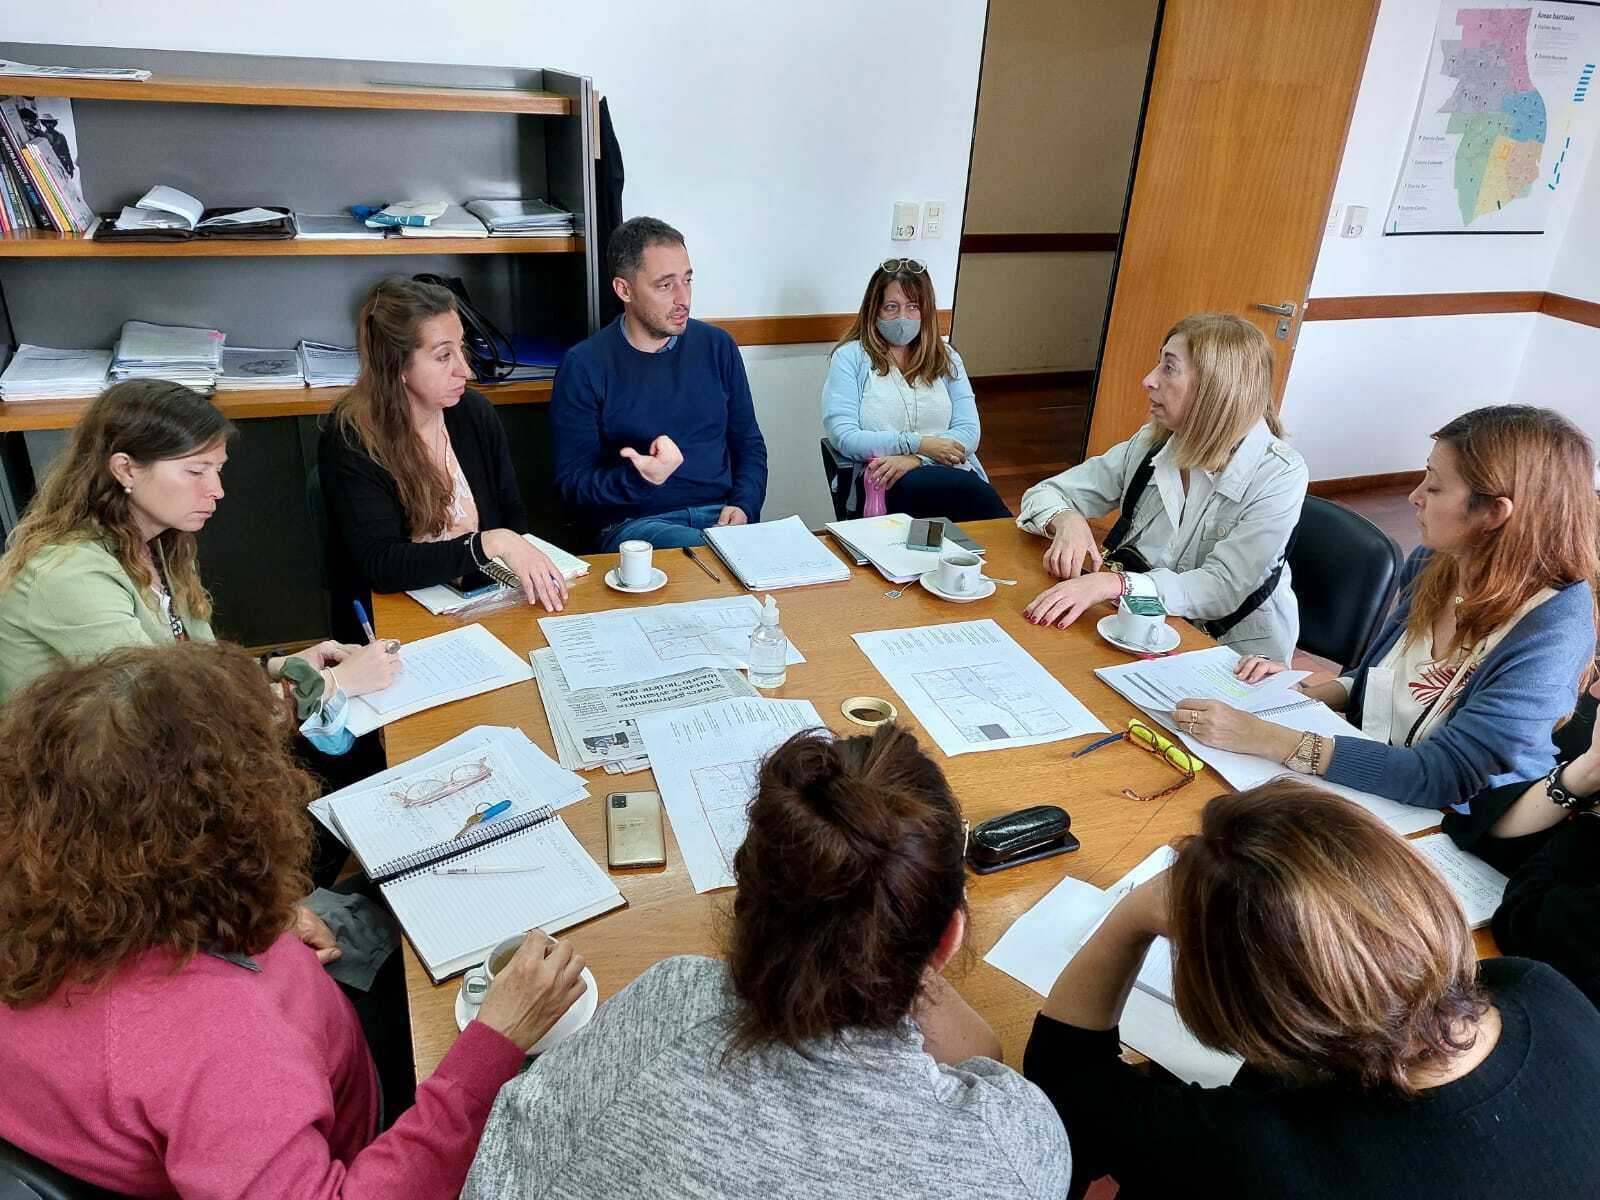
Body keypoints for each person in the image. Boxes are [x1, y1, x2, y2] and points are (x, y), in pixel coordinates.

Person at [0, 642, 588, 1199]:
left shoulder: (55, 901)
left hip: (291, 1054)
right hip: (368, 1145)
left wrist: (273, 923)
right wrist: (494, 1046)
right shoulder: (217, 1044)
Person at [464, 723, 1069, 1200]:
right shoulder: (1014, 1151)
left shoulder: (672, 996)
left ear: (747, 895)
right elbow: (985, 1055)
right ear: (947, 939)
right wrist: (901, 947)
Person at [1024, 779, 1600, 1198]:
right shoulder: (1539, 988)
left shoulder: (1261, 1158)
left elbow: (1063, 1076)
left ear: (1255, 1018)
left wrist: (1131, 916)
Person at [1182, 405, 1598, 814]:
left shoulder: (1553, 631)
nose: (1415, 496)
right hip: (1375, 782)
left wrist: (1267, 737)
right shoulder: (1436, 561)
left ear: (1494, 513)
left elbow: (1445, 775)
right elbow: (1383, 679)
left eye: (1435, 487)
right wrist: (1295, 697)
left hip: (1460, 823)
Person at [0, 379, 398, 711]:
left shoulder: (159, 541)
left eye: (217, 470)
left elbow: (193, 668)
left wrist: (276, 666)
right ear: (125, 469)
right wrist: (334, 684)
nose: (217, 490)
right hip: (86, 773)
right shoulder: (69, 575)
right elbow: (173, 715)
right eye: (195, 471)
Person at [1019, 313, 1306, 661]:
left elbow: (1222, 587)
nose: (1149, 380)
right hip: (1136, 626)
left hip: (1230, 655)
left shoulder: (1279, 474)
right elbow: (1044, 494)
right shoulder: (1152, 443)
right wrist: (1066, 519)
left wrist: (1115, 584)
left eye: (1169, 368)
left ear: (1215, 387)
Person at [320, 276, 569, 641]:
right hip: (395, 623)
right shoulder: (351, 438)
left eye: (461, 348)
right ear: (397, 365)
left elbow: (512, 516)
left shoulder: (472, 412)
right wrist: (490, 544)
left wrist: (503, 556)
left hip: (481, 602)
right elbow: (382, 564)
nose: (465, 369)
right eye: (443, 356)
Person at [550, 216, 768, 550]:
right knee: (716, 557)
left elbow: (749, 444)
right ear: (624, 290)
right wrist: (639, 479)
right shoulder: (584, 365)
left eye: (687, 280)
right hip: (636, 523)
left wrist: (744, 505)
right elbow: (573, 485)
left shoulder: (717, 346)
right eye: (665, 286)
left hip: (721, 516)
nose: (683, 298)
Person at [1443, 678, 1600, 1006]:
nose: (1594, 689)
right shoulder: (1585, 725)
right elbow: (1486, 832)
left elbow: (1528, 925)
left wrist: (1592, 817)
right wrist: (1588, 770)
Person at [821, 258, 1009, 522]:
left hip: (950, 475)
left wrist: (917, 458)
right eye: (891, 307)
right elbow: (845, 436)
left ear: (925, 312)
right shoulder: (850, 358)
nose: (903, 317)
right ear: (874, 310)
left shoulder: (947, 358)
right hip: (881, 481)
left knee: (965, 491)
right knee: (966, 492)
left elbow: (968, 432)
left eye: (913, 307)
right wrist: (920, 444)